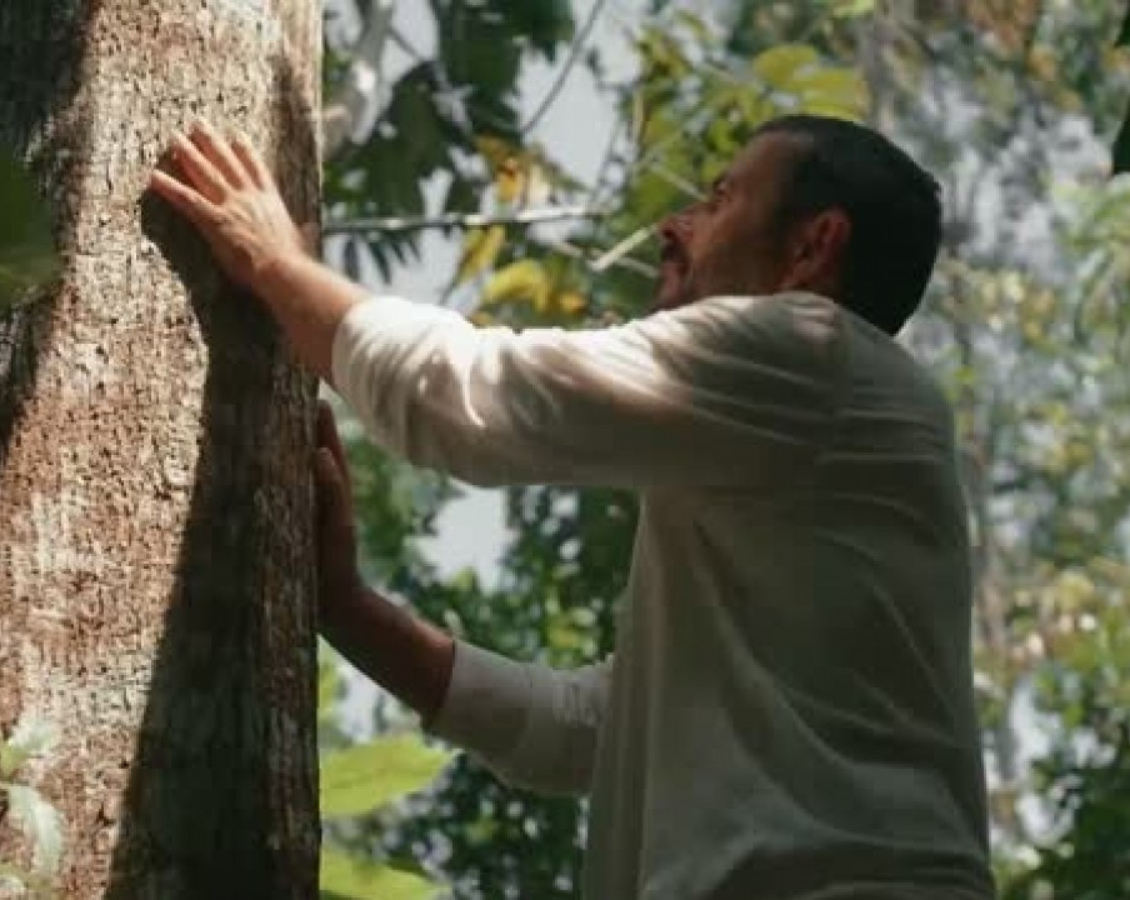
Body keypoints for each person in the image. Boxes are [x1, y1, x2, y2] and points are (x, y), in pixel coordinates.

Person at [149, 114, 995, 899]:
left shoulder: (817, 354)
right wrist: (348, 610)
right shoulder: (802, 447)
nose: (675, 226)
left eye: (721, 198)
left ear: (814, 247)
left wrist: (274, 265)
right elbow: (589, 729)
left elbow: (467, 398)